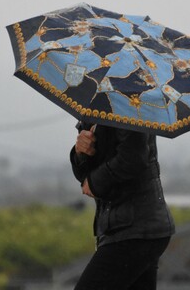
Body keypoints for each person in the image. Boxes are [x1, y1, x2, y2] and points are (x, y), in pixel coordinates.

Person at [70, 121, 175, 290]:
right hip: (130, 228)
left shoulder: (130, 106)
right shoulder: (96, 112)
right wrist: (80, 152)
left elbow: (133, 157)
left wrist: (94, 182)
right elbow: (85, 176)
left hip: (135, 228)